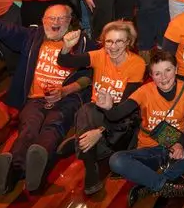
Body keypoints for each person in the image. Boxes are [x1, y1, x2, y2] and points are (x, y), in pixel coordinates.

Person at [0, 0, 89, 195]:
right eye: (51, 18)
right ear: (42, 21)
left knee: (54, 125)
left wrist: (66, 90)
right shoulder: (31, 38)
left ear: (71, 22)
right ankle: (14, 171)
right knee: (29, 128)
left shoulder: (83, 44)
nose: (56, 22)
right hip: (34, 99)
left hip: (65, 99)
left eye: (62, 18)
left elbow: (91, 75)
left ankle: (34, 167)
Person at [106, 48, 184, 206]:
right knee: (116, 160)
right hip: (150, 149)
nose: (164, 78)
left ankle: (154, 183)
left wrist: (180, 143)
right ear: (151, 76)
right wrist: (107, 107)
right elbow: (115, 115)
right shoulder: (144, 91)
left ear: (176, 70)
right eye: (157, 73)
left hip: (176, 147)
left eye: (168, 70)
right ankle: (165, 185)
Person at [58, 20, 146, 195]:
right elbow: (65, 60)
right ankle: (91, 169)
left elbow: (125, 108)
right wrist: (66, 46)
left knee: (91, 124)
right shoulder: (99, 55)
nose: (113, 47)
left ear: (128, 42)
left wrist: (99, 131)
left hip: (122, 116)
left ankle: (79, 142)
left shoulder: (137, 64)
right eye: (109, 42)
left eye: (119, 41)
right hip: (96, 111)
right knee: (85, 110)